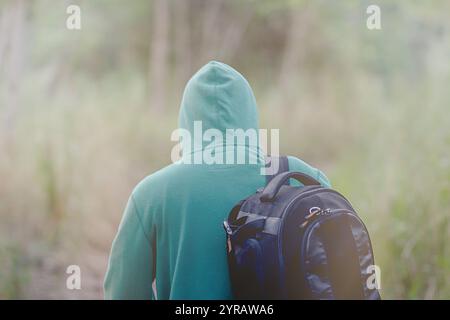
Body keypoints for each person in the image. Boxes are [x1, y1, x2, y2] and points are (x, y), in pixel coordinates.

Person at [104, 61, 331, 299]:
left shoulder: (152, 193)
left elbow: (123, 291)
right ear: (250, 113)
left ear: (186, 120)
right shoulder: (303, 178)